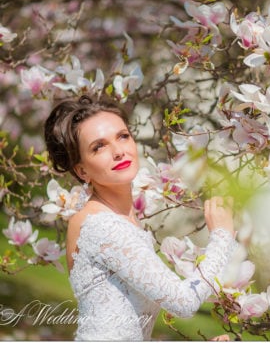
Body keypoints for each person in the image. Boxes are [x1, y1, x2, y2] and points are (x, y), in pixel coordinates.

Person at [44, 95, 236, 341]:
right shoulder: (101, 226)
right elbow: (184, 303)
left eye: (122, 136)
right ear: (82, 171)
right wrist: (222, 236)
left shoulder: (120, 221)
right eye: (98, 146)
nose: (118, 151)